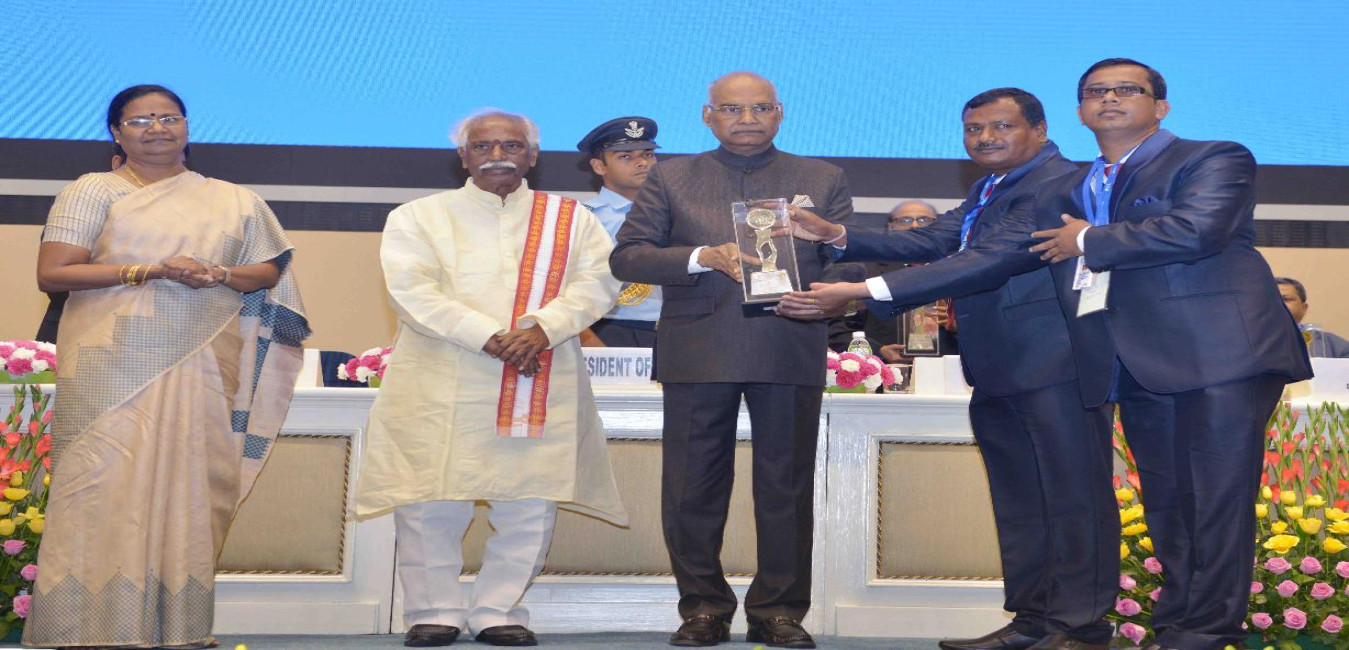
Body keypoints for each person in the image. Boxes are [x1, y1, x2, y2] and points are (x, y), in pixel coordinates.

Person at [781, 88, 1118, 650]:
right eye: (973, 129)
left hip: (1054, 364)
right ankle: (1033, 619)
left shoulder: (1059, 182)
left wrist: (861, 291)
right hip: (1000, 366)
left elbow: (988, 259)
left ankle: (1081, 627)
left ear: (1039, 129)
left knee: (1072, 498)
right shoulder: (991, 188)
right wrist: (835, 234)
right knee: (1020, 501)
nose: (984, 138)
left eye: (1001, 126)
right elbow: (937, 238)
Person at [1029, 59, 1312, 650]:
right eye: (1095, 91)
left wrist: (1087, 238)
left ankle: (1205, 632)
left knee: (1216, 498)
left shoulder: (1213, 157)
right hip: (1130, 360)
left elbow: (1197, 229)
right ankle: (1177, 625)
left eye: (1126, 89)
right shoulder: (1067, 185)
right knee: (1168, 501)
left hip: (1220, 354)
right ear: (1079, 111)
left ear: (1160, 106)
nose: (1109, 98)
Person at [26, 84, 309, 649]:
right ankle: (85, 629)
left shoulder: (235, 200)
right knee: (98, 486)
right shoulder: (91, 191)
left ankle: (178, 628)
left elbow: (267, 272)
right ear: (116, 132)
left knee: (191, 488)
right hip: (107, 362)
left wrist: (219, 273)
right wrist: (151, 269)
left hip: (202, 362)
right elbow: (53, 272)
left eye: (168, 117)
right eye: (140, 120)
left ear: (186, 125)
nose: (156, 128)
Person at [354, 109, 626, 648]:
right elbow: (412, 291)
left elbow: (600, 283)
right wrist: (491, 337)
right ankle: (433, 611)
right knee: (431, 499)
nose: (497, 155)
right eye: (483, 146)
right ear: (464, 156)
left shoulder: (570, 219)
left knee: (528, 499)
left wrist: (542, 329)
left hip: (538, 370)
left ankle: (499, 611)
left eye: (511, 145)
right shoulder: (418, 217)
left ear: (532, 156)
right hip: (442, 377)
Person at [610, 71, 851, 649]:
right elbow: (628, 257)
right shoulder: (671, 176)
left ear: (779, 113)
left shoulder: (822, 177)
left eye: (760, 108)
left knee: (786, 487)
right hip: (700, 348)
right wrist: (702, 256)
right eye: (732, 109)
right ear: (708, 115)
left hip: (789, 342)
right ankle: (702, 608)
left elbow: (847, 260)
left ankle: (779, 612)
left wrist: (832, 293)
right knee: (692, 487)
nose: (747, 119)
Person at [575, 116, 663, 347]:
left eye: (648, 154)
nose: (642, 163)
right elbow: (561, 287)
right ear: (599, 166)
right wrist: (588, 341)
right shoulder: (583, 218)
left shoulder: (678, 213)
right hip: (611, 330)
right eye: (626, 156)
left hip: (678, 331)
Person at [1275, 277, 1349, 358]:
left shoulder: (1334, 346)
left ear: (1304, 308)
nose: (1277, 303)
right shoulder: (1262, 342)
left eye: (1286, 299)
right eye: (1270, 299)